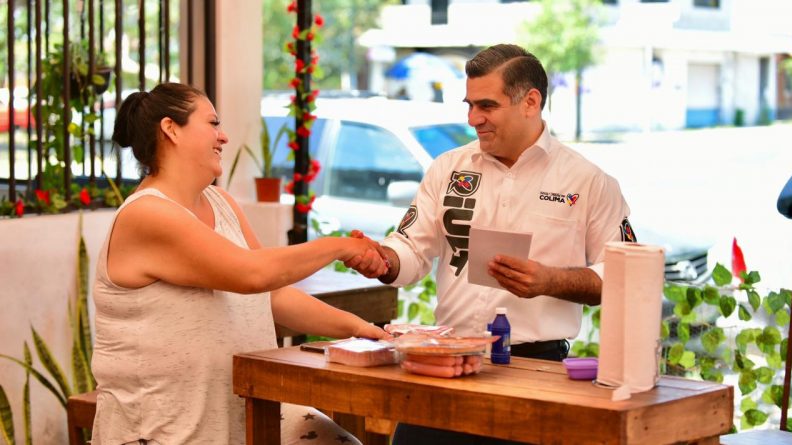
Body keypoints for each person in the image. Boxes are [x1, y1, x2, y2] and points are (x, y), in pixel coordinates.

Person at [349, 44, 634, 444]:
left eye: (487, 106)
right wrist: (383, 260)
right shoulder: (447, 168)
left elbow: (622, 275)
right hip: (446, 362)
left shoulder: (589, 182)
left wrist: (550, 281)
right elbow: (411, 248)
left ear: (530, 102)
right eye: (469, 105)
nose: (473, 119)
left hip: (535, 371)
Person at [91, 82, 390, 445]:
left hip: (249, 415)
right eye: (212, 123)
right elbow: (253, 273)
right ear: (171, 129)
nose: (224, 136)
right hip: (162, 429)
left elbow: (273, 293)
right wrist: (340, 247)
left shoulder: (221, 202)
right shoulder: (147, 213)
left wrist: (361, 329)